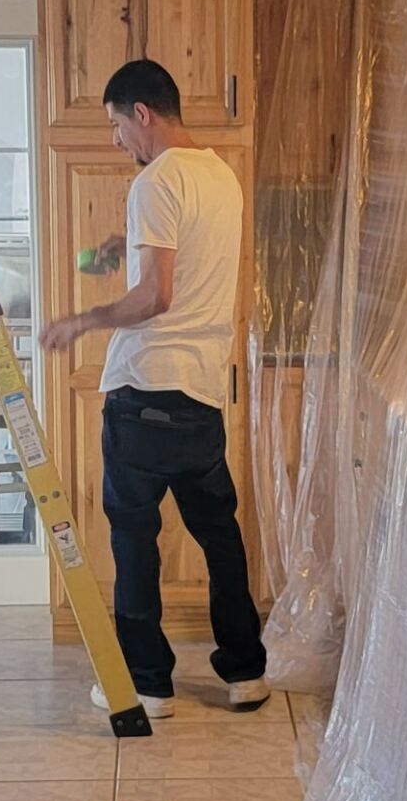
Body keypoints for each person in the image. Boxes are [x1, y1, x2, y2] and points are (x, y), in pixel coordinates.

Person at [39, 59, 270, 717]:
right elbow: (185, 261)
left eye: (117, 126)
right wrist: (126, 243)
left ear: (142, 113)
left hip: (143, 394)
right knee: (219, 536)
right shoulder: (220, 176)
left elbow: (155, 297)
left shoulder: (155, 181)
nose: (118, 142)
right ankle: (245, 673)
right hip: (200, 395)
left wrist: (82, 321)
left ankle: (148, 683)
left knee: (134, 539)